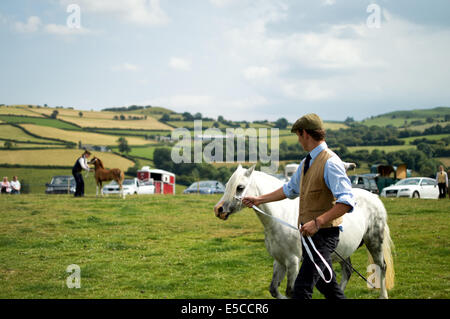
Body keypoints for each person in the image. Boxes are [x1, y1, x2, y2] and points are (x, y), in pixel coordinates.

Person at [242, 113, 355, 299]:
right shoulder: (306, 162)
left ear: (305, 134)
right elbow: (289, 190)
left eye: (298, 135)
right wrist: (259, 200)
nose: (299, 141)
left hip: (324, 236)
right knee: (329, 289)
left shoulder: (331, 162)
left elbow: (346, 202)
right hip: (309, 237)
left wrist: (317, 222)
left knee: (301, 289)